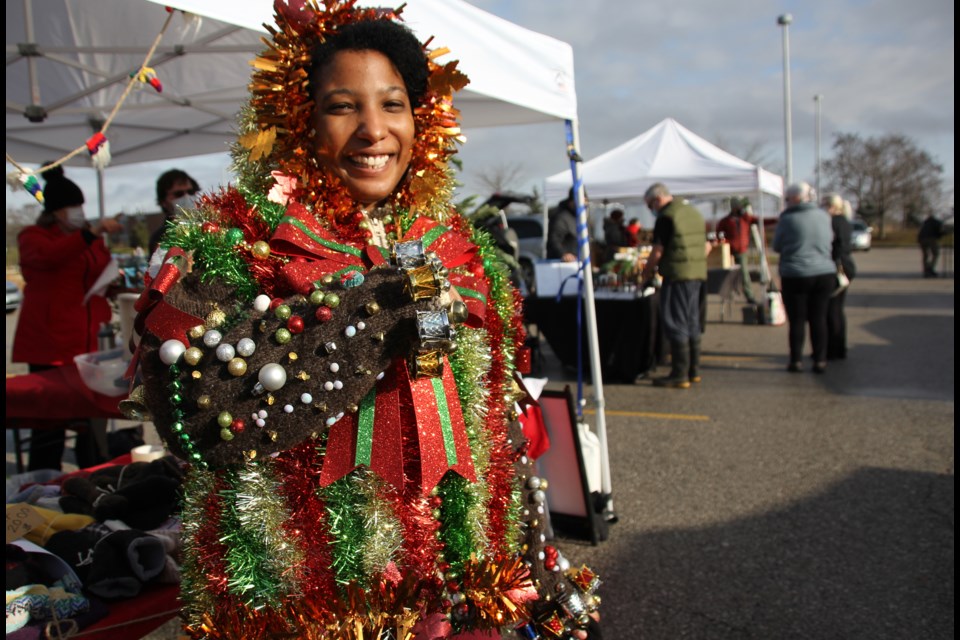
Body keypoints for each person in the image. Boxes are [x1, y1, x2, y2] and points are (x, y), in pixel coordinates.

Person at [129, 4, 599, 638]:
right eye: (343, 106)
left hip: (449, 597)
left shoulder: (459, 245)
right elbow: (191, 414)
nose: (374, 130)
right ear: (300, 117)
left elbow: (501, 432)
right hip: (298, 605)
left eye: (394, 105)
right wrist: (371, 311)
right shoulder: (235, 239)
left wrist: (536, 568)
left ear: (420, 119)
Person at [11, 165, 122, 470]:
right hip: (50, 344)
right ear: (56, 211)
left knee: (92, 415)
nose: (77, 212)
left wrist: (110, 284)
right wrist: (89, 234)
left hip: (88, 341)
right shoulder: (32, 237)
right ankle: (42, 477)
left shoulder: (89, 238)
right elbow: (50, 256)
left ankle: (92, 470)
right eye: (71, 207)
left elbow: (96, 269)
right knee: (50, 421)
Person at [640, 182, 708, 388]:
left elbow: (657, 251)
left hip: (678, 275)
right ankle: (693, 369)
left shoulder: (667, 217)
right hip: (697, 273)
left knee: (676, 321)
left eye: (650, 205)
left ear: (657, 199)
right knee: (692, 320)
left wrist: (646, 272)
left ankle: (680, 374)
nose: (651, 210)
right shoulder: (692, 212)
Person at [772, 182, 836, 373]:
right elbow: (829, 240)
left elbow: (777, 245)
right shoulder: (824, 216)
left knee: (797, 320)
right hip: (824, 272)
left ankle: (796, 360)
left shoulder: (787, 219)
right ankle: (820, 359)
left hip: (795, 273)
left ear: (794, 199)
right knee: (819, 318)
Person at [822, 194, 857, 360]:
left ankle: (832, 349)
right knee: (837, 309)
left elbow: (835, 247)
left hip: (838, 268)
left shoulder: (833, 222)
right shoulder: (845, 221)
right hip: (845, 266)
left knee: (831, 310)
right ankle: (839, 347)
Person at [715, 196, 759, 304]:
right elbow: (719, 234)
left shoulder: (745, 218)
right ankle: (731, 293)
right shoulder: (726, 221)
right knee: (730, 274)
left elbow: (757, 220)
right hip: (729, 251)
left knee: (744, 274)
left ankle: (749, 295)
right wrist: (723, 241)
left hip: (742, 251)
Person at [147, 168, 200, 255]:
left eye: (191, 192)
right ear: (163, 202)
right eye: (179, 194)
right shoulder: (161, 238)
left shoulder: (211, 227)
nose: (187, 197)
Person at [547, 187, 580, 262]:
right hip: (563, 264)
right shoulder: (561, 217)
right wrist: (564, 253)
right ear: (572, 201)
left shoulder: (576, 217)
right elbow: (554, 239)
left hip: (577, 261)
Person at [917, 212, 946, 277]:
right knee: (935, 253)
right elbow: (940, 231)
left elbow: (920, 231)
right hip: (931, 238)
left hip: (921, 239)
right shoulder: (937, 222)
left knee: (925, 255)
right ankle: (930, 269)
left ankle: (926, 271)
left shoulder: (925, 222)